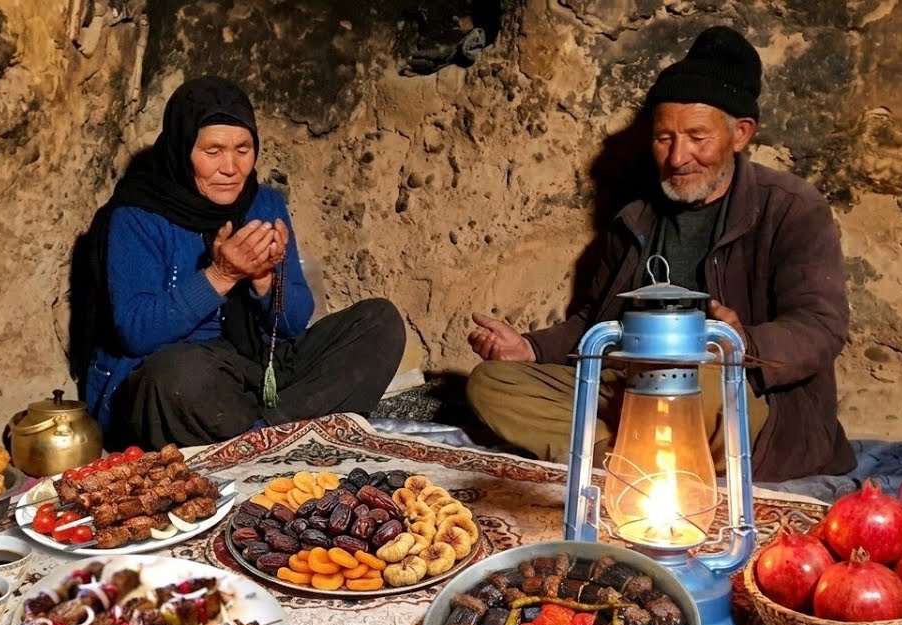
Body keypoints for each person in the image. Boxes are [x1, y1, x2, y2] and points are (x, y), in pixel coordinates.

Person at [465, 26, 856, 483]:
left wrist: (741, 343)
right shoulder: (636, 217)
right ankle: (640, 460)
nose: (677, 157)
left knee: (702, 386)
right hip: (632, 386)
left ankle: (622, 457)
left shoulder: (790, 208)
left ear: (740, 134)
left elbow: (821, 327)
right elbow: (595, 324)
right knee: (490, 385)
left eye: (697, 137)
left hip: (732, 392)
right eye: (664, 138)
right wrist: (529, 349)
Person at [83, 77, 405, 450]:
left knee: (380, 322)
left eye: (243, 148)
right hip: (189, 378)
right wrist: (221, 276)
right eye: (213, 150)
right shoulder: (137, 216)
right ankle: (293, 432)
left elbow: (293, 323)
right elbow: (135, 331)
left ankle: (261, 437)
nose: (231, 167)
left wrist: (265, 279)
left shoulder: (264, 204)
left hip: (259, 367)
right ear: (181, 148)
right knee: (175, 377)